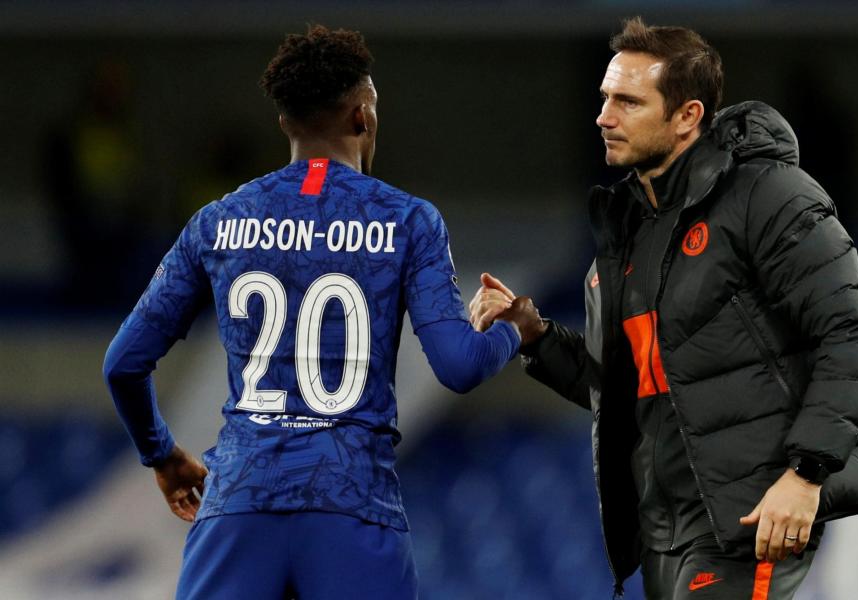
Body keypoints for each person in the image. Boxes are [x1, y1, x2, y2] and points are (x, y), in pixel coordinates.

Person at [103, 25, 535, 600]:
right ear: (363, 117)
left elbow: (123, 364)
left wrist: (163, 455)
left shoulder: (217, 221)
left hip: (238, 506)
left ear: (284, 122)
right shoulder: (409, 221)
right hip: (352, 507)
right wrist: (512, 329)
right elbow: (459, 365)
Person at [470, 16, 858, 599]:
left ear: (687, 116)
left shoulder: (769, 195)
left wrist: (805, 473)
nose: (604, 116)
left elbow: (852, 338)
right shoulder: (627, 234)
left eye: (628, 101)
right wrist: (535, 336)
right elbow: (618, 392)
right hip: (663, 532)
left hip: (749, 516)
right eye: (605, 98)